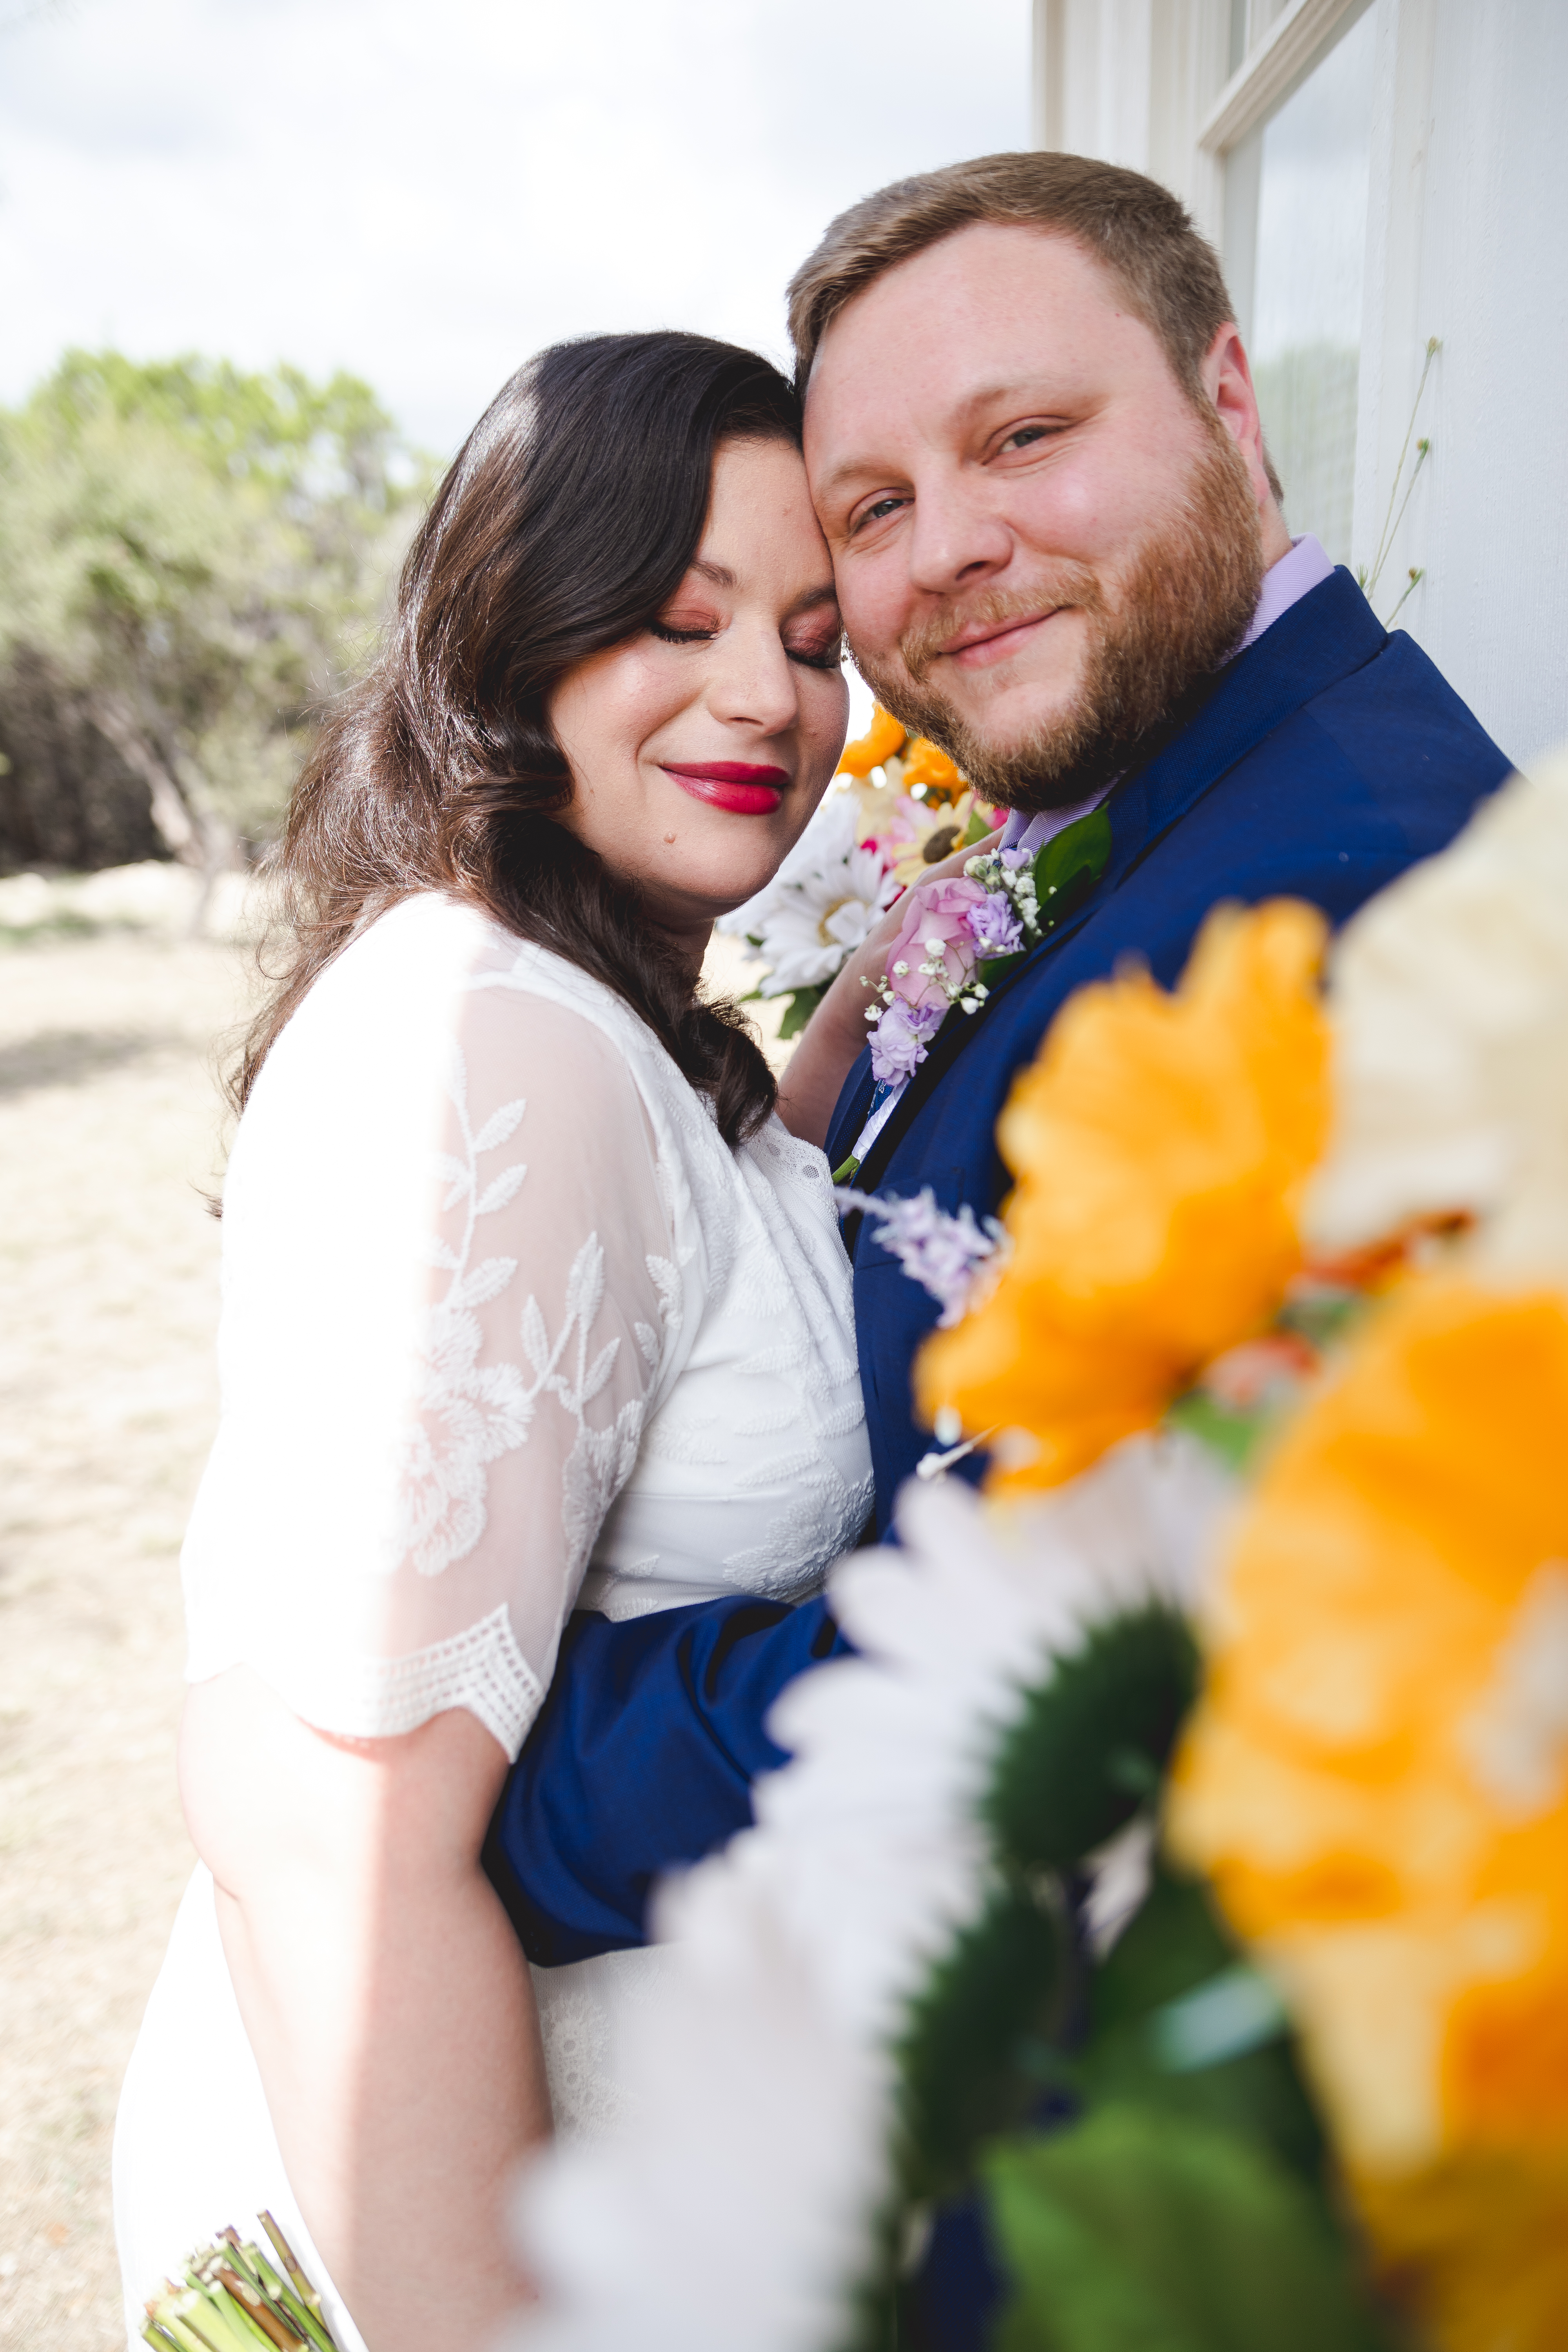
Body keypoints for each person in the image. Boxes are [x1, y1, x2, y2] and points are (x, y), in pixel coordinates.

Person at [485, 152, 1516, 1968]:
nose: (943, 548)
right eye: (870, 509)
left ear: (1225, 399)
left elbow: (1055, 1658)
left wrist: (486, 1771)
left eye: (1025, 435)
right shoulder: (1140, 813)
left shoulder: (1360, 921)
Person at [112, 332, 874, 2352]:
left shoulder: (586, 1012)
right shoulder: (503, 1048)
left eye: (813, 638)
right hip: (495, 2227)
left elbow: (669, 1319)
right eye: (675, 617)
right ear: (513, 628)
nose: (767, 701)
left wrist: (880, 1013)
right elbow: (331, 1830)